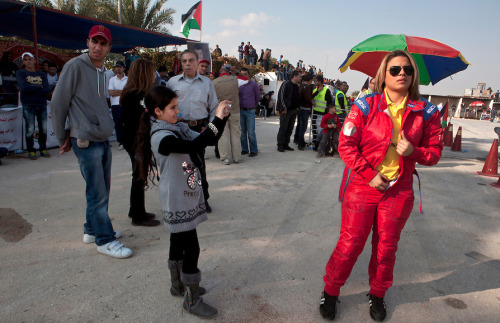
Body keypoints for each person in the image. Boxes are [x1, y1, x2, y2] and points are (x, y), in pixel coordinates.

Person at [319, 50, 443, 321]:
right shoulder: (365, 105)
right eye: (396, 70)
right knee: (351, 243)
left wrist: (414, 152)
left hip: (399, 191)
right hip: (364, 185)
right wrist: (368, 173)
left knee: (386, 247)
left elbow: (434, 153)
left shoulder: (428, 111)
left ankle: (378, 294)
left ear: (414, 76)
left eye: (408, 70)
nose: (402, 74)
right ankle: (330, 291)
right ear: (383, 75)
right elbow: (346, 145)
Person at [134, 86, 229, 318]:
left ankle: (178, 285)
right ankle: (191, 299)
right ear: (157, 111)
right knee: (191, 247)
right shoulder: (162, 137)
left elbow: (208, 138)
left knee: (177, 242)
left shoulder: (178, 128)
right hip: (177, 199)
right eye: (173, 108)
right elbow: (196, 145)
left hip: (183, 195)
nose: (178, 111)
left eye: (177, 106)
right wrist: (216, 117)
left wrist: (222, 118)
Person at [51, 25, 133, 258]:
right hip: (86, 139)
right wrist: (61, 137)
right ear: (87, 42)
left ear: (109, 47)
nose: (98, 47)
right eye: (94, 42)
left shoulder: (102, 71)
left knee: (100, 189)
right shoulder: (75, 66)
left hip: (101, 137)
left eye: (103, 43)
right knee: (97, 192)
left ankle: (91, 230)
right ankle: (104, 240)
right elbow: (58, 102)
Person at [167, 50, 219, 213]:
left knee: (199, 165)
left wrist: (209, 127)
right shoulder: (172, 83)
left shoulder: (206, 83)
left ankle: (203, 199)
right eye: (184, 61)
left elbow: (214, 107)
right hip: (178, 129)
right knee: (179, 166)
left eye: (191, 61)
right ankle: (181, 200)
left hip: (199, 128)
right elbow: (167, 105)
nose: (187, 64)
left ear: (197, 63)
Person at [119, 59, 160, 227]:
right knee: (139, 175)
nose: (154, 76)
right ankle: (137, 215)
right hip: (135, 141)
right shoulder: (133, 96)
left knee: (140, 174)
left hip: (139, 140)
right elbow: (136, 121)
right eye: (151, 72)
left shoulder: (138, 94)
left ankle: (136, 210)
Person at [16, 52, 50, 160]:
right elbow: (23, 87)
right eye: (25, 60)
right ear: (23, 62)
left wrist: (32, 88)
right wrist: (38, 87)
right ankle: (31, 150)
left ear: (34, 60)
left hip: (41, 104)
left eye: (30, 59)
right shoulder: (20, 73)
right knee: (30, 129)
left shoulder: (42, 74)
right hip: (28, 104)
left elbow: (46, 89)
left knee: (43, 129)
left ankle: (43, 148)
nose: (28, 61)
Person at [212, 64, 242, 165]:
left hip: (222, 111)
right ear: (230, 71)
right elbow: (246, 79)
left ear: (221, 69)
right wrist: (236, 72)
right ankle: (237, 157)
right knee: (235, 134)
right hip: (235, 110)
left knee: (222, 135)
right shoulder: (236, 79)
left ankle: (225, 158)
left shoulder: (214, 82)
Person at [276, 71, 301, 152]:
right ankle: (280, 145)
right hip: (286, 111)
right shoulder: (286, 84)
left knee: (290, 129)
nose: (301, 78)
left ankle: (286, 144)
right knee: (283, 128)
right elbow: (281, 96)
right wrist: (284, 108)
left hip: (293, 111)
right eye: (300, 76)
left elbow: (297, 97)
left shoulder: (296, 86)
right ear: (295, 76)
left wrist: (297, 107)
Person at [238, 67, 260, 157]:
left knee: (251, 132)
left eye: (245, 74)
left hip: (250, 111)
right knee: (242, 132)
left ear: (248, 74)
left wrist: (252, 105)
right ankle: (244, 149)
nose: (244, 76)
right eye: (242, 74)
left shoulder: (253, 84)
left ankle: (254, 150)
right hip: (240, 110)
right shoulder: (239, 84)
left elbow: (257, 97)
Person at [108, 60, 127, 150]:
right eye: (116, 67)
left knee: (127, 123)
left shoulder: (128, 79)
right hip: (115, 105)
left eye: (120, 67)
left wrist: (118, 92)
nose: (118, 68)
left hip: (126, 104)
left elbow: (129, 92)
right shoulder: (112, 79)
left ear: (123, 68)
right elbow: (111, 92)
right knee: (118, 124)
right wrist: (123, 92)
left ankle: (127, 141)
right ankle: (121, 142)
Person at [312, 75, 334, 151]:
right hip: (314, 113)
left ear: (320, 82)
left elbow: (329, 103)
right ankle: (315, 142)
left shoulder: (326, 91)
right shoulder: (315, 90)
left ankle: (319, 144)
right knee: (314, 129)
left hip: (322, 114)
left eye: (316, 81)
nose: (315, 82)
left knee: (320, 130)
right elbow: (311, 98)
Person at [294, 73, 314, 150]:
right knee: (303, 126)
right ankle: (300, 143)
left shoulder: (302, 86)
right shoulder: (305, 87)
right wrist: (312, 102)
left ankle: (298, 140)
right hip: (304, 109)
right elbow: (307, 98)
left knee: (300, 125)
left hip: (301, 108)